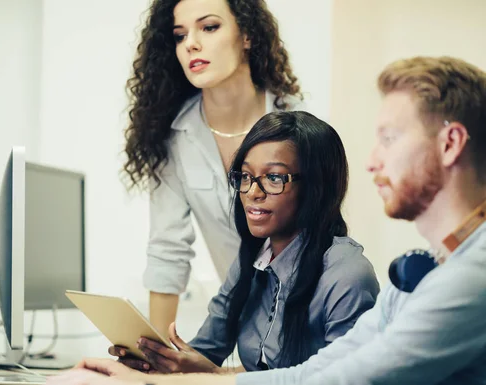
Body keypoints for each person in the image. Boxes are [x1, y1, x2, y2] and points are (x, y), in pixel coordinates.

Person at [47, 56, 486, 384]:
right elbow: (317, 372)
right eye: (245, 178)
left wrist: (164, 384)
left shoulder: (471, 278)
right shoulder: (435, 267)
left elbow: (348, 381)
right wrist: (171, 375)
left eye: (389, 139)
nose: (372, 162)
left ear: (450, 144)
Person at [111, 111, 379, 374]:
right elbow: (205, 352)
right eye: (246, 177)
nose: (252, 192)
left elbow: (341, 380)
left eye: (274, 178)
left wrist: (221, 377)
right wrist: (153, 360)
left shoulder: (346, 276)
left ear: (316, 187)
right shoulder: (252, 261)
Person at [122, 0, 304, 335]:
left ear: (247, 34)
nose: (191, 43)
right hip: (245, 330)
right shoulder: (173, 136)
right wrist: (160, 357)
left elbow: (320, 242)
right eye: (179, 35)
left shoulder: (299, 127)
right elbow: (168, 250)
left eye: (209, 27)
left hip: (309, 324)